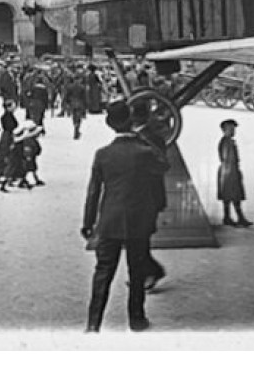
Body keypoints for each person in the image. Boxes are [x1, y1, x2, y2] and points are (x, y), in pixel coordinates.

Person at [81, 102, 170, 333]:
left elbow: (93, 192)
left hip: (109, 221)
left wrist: (88, 223)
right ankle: (136, 320)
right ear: (131, 121)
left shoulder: (102, 154)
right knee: (137, 272)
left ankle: (93, 324)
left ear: (110, 124)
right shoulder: (145, 152)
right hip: (139, 221)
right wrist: (141, 138)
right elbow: (163, 165)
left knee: (102, 273)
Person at [216, 119, 253, 226]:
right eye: (231, 128)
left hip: (226, 171)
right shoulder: (227, 142)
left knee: (228, 196)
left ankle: (227, 217)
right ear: (225, 129)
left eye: (233, 128)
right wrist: (234, 173)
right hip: (230, 171)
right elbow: (229, 158)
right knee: (234, 195)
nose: (233, 130)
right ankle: (239, 218)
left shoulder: (225, 141)